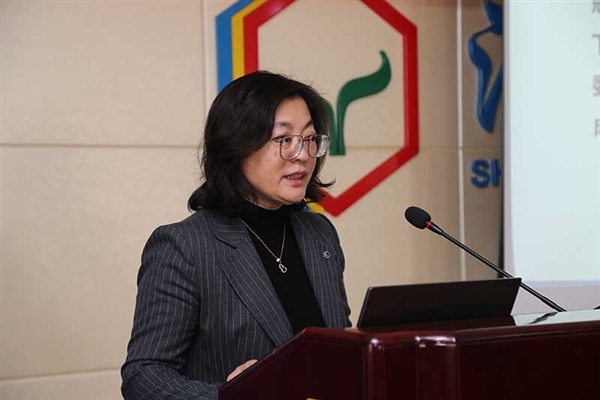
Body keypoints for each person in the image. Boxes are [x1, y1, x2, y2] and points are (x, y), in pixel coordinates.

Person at [121, 71, 352, 400]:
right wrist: (227, 396)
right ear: (237, 146)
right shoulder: (184, 246)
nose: (302, 154)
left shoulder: (319, 233)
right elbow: (143, 377)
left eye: (310, 138)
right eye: (283, 139)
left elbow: (337, 347)